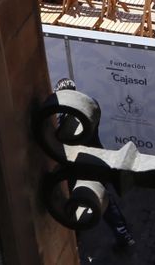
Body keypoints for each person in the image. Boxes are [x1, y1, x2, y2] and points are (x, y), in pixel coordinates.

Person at [53, 78, 135, 251]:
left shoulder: (64, 124)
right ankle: (124, 235)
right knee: (104, 201)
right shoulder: (88, 106)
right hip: (96, 161)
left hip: (79, 168)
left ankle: (76, 241)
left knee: (81, 202)